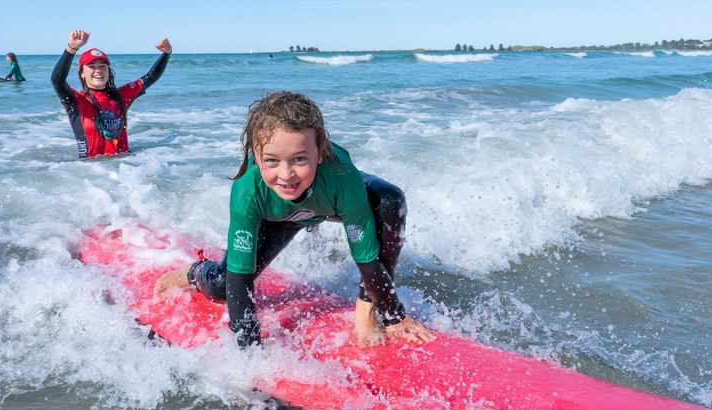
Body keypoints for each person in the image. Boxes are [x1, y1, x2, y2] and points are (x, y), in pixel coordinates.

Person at [154, 91, 437, 350]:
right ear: (255, 156)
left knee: (389, 201)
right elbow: (240, 279)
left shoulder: (341, 175)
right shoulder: (248, 191)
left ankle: (368, 306)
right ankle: (195, 272)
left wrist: (394, 315)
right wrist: (251, 354)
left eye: (299, 159)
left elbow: (367, 257)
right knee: (222, 287)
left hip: (324, 199)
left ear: (321, 152)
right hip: (276, 217)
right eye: (272, 161)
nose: (286, 174)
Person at [51, 30, 172, 158]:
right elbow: (57, 81)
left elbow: (150, 77)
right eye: (92, 66)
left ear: (108, 72)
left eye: (103, 66)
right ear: (82, 74)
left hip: (126, 165)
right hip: (91, 167)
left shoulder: (120, 96)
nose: (98, 70)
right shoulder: (76, 101)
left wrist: (167, 53)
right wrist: (71, 49)